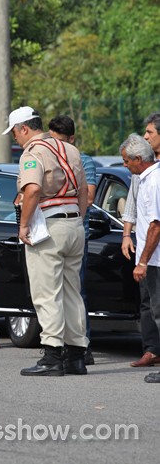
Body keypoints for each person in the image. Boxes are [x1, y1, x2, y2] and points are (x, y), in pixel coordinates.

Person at [3, 106, 89, 376]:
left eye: (15, 133)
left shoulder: (33, 151)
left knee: (46, 292)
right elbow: (85, 191)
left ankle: (52, 355)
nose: (15, 139)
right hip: (74, 222)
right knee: (71, 292)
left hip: (49, 225)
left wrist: (25, 224)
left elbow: (32, 189)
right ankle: (76, 356)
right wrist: (76, 218)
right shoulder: (70, 149)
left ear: (24, 128)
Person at [48, 115, 96, 365]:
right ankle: (65, 346)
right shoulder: (50, 157)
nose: (56, 145)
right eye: (52, 139)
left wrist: (74, 218)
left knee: (76, 291)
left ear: (72, 139)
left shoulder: (82, 160)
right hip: (57, 230)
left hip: (78, 231)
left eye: (61, 140)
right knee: (57, 291)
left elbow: (88, 197)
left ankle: (80, 346)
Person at [119, 134, 160, 384]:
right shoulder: (145, 179)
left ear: (138, 159)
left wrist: (143, 261)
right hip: (152, 259)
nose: (124, 165)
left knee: (159, 313)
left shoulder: (154, 181)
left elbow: (156, 225)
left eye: (126, 161)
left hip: (156, 260)